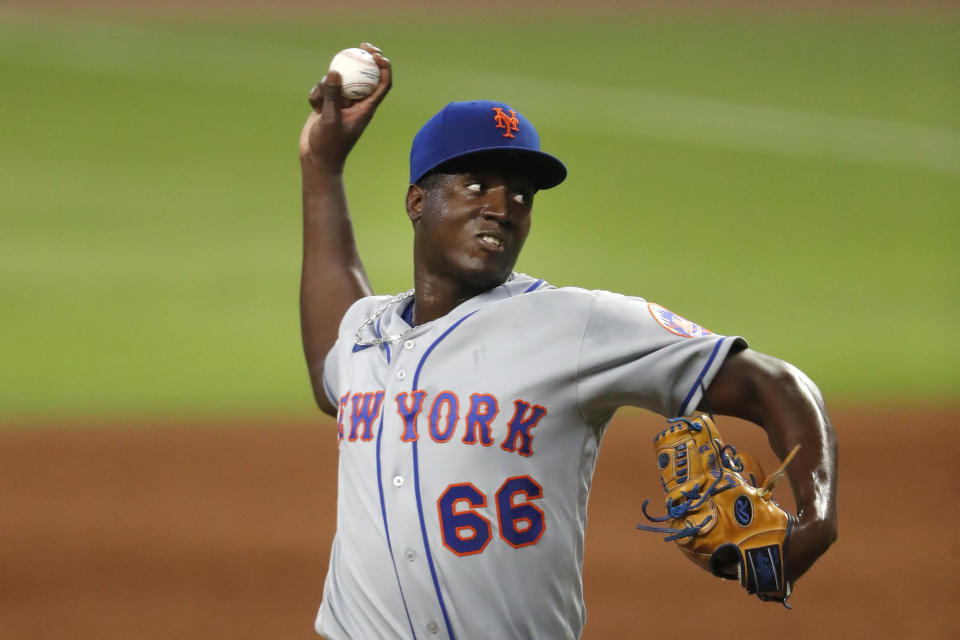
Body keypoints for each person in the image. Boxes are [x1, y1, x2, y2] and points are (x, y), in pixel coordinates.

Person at [299, 43, 837, 640]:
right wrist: (321, 167)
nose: (502, 208)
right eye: (477, 185)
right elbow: (330, 363)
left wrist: (816, 517)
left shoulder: (575, 323)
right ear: (417, 201)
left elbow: (774, 385)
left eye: (522, 195)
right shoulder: (366, 333)